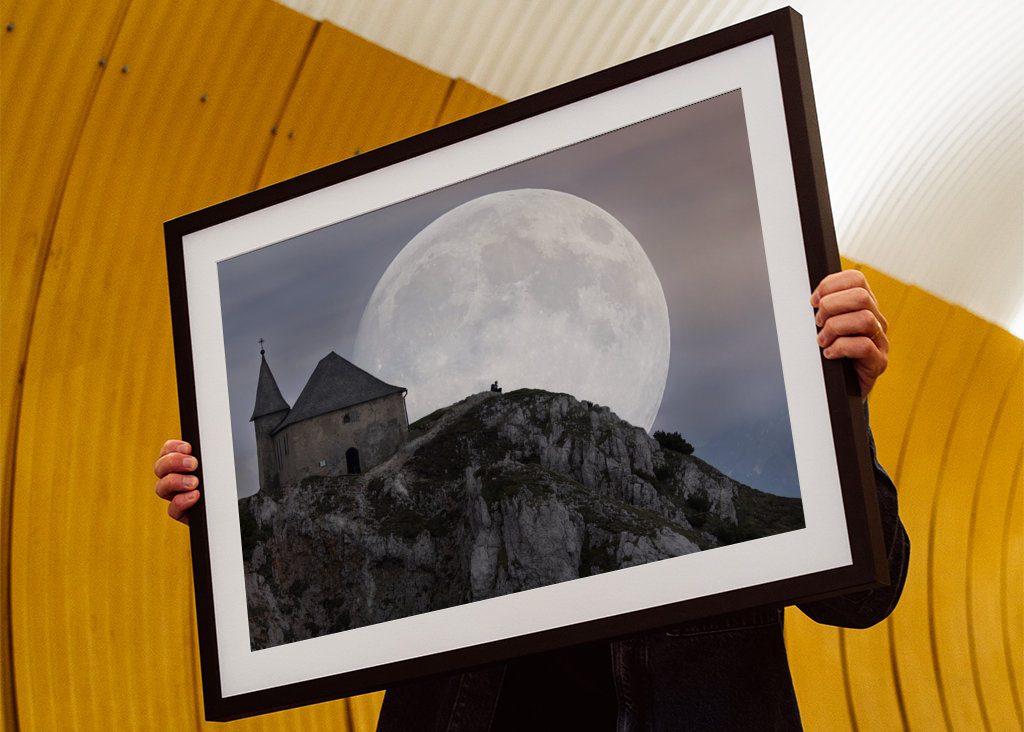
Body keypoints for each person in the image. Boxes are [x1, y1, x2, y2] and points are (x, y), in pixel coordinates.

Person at [155, 270, 908, 730]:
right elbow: (318, 595)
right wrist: (226, 527)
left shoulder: (727, 460)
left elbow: (865, 596)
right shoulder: (435, 479)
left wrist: (841, 409)